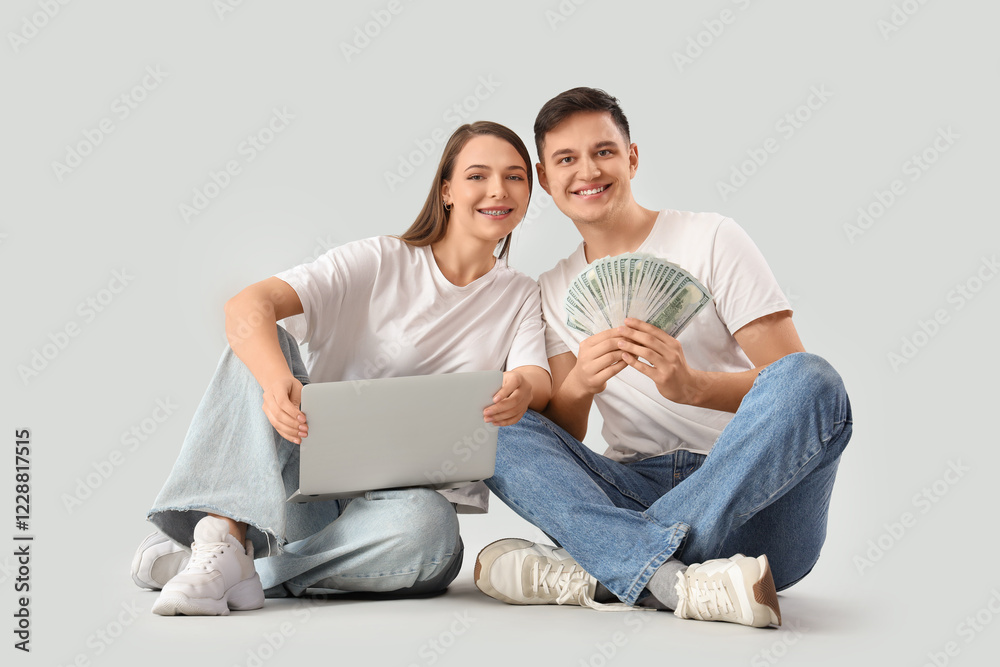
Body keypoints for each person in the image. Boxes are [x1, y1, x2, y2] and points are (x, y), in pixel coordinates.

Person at [130, 121, 552, 616]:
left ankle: (237, 568)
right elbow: (247, 306)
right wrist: (274, 382)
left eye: (515, 177)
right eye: (478, 175)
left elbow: (538, 381)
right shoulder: (379, 260)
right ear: (447, 191)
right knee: (261, 343)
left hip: (394, 516)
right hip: (301, 492)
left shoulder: (521, 293)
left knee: (434, 532)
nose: (497, 190)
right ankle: (223, 533)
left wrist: (521, 389)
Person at [472, 88, 852, 628]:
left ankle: (602, 567)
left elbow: (789, 384)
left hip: (758, 504)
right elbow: (565, 431)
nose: (587, 171)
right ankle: (671, 579)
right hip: (633, 487)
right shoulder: (551, 290)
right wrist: (581, 383)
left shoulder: (711, 238)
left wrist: (695, 387)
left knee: (814, 378)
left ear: (630, 157)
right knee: (490, 423)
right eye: (566, 159)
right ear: (546, 179)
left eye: (603, 151)